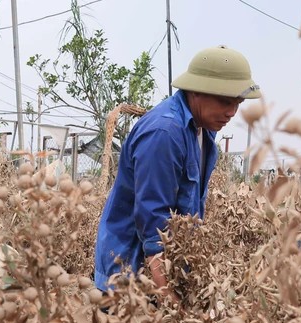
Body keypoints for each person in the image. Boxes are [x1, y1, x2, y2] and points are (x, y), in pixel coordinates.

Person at [93, 45, 261, 304]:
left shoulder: (203, 128)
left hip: (167, 270)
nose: (232, 112)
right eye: (225, 102)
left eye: (237, 103)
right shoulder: (165, 133)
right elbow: (153, 220)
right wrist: (166, 295)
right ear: (197, 91)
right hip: (132, 273)